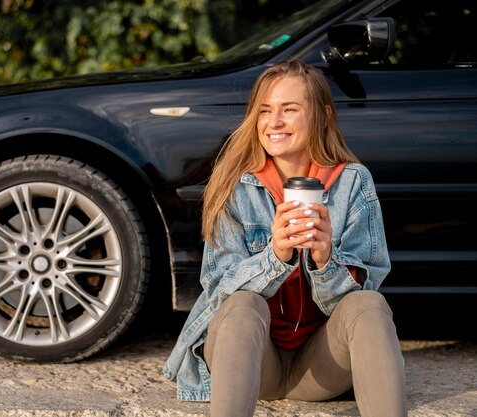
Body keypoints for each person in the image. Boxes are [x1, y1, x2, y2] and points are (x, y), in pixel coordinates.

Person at [163, 58, 407, 417]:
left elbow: (368, 285)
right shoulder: (236, 185)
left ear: (321, 114)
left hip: (321, 368)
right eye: (264, 111)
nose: (273, 122)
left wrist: (326, 261)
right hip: (253, 365)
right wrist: (275, 257)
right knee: (243, 304)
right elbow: (218, 290)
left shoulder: (353, 182)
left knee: (368, 306)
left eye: (289, 109)